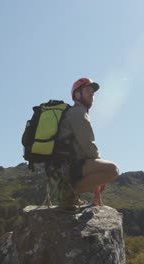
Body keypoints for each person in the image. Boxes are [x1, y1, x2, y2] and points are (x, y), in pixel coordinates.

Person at [57, 77, 120, 207]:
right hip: (69, 167)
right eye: (87, 90)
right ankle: (69, 192)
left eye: (93, 91)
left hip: (67, 166)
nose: (92, 93)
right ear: (77, 94)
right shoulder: (77, 113)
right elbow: (89, 147)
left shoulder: (75, 113)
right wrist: (100, 173)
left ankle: (72, 196)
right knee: (112, 170)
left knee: (105, 169)